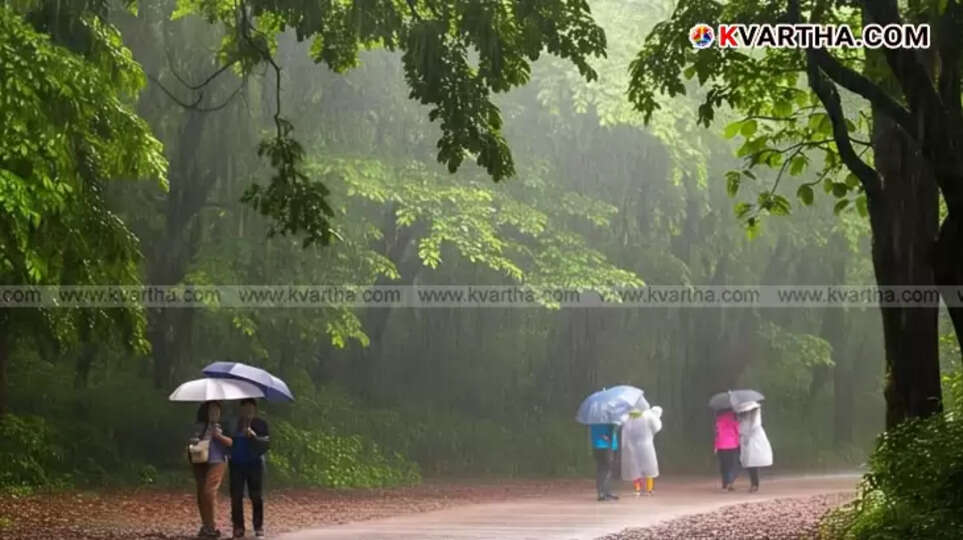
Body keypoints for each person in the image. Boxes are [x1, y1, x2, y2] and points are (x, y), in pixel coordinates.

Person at [189, 401, 233, 538]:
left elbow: (231, 443)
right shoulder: (200, 426)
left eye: (217, 411)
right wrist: (194, 440)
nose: (215, 413)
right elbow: (191, 441)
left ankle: (212, 526)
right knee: (201, 493)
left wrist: (218, 436)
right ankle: (206, 526)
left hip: (218, 460)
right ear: (206, 412)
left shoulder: (224, 425)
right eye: (212, 411)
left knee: (209, 491)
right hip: (200, 461)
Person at [229, 399, 271, 538]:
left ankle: (258, 526)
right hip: (236, 463)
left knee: (256, 496)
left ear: (255, 410)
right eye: (245, 408)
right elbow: (227, 441)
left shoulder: (261, 424)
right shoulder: (233, 423)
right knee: (236, 496)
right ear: (241, 410)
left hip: (254, 463)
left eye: (251, 409)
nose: (248, 411)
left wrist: (253, 436)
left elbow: (266, 444)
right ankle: (238, 526)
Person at [621, 406, 663, 496]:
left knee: (634, 468)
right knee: (649, 468)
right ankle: (649, 489)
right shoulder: (648, 415)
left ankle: (638, 489)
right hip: (646, 445)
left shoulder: (628, 416)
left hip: (631, 446)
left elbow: (621, 423)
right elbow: (657, 427)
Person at [735, 401, 772, 492]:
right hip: (745, 438)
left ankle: (754, 484)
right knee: (747, 462)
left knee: (752, 462)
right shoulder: (742, 414)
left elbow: (755, 425)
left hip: (754, 439)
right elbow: (740, 425)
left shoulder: (755, 414)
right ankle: (752, 483)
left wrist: (747, 434)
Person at [590, 423, 620, 501]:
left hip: (597, 446)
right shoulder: (608, 421)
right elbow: (609, 434)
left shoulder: (593, 420)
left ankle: (604, 492)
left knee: (601, 469)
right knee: (607, 470)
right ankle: (603, 493)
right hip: (606, 446)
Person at [714, 409, 740, 491]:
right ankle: (730, 482)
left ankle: (725, 483)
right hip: (732, 445)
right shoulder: (734, 421)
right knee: (732, 465)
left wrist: (715, 446)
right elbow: (738, 432)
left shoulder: (718, 421)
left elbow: (717, 434)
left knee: (724, 465)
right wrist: (738, 443)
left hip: (721, 446)